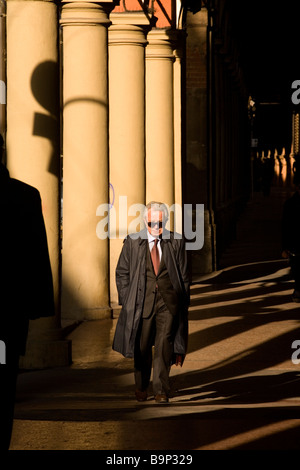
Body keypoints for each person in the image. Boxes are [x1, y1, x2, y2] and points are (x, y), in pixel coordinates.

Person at [0, 134, 55, 450]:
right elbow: (37, 257)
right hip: (8, 320)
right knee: (4, 383)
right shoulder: (25, 197)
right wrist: (40, 306)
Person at [112, 201, 190, 404]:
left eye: (160, 223)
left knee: (165, 346)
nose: (156, 228)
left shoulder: (176, 241)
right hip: (141, 303)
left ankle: (161, 389)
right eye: (151, 223)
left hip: (168, 303)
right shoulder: (133, 242)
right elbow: (122, 273)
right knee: (143, 346)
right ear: (145, 222)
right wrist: (127, 299)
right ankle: (141, 385)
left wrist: (183, 303)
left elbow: (184, 275)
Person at [282, 169, 300, 302]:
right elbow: (285, 227)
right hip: (295, 243)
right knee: (296, 268)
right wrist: (284, 248)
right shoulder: (289, 204)